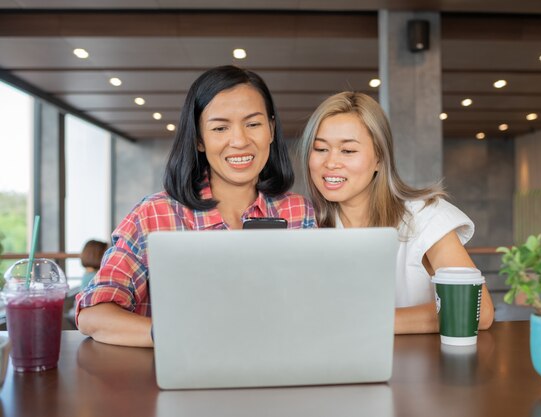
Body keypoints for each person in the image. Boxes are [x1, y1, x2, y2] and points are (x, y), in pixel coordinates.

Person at [76, 66, 316, 347]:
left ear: (271, 130)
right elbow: (93, 315)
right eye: (220, 128)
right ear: (199, 139)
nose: (239, 141)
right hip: (177, 379)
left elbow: (310, 309)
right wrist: (180, 335)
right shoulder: (155, 214)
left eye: (253, 124)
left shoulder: (298, 213)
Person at [299, 92, 494, 334]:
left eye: (348, 151)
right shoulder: (305, 224)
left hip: (423, 368)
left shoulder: (425, 216)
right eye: (320, 149)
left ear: (379, 158)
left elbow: (477, 310)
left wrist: (364, 322)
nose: (330, 163)